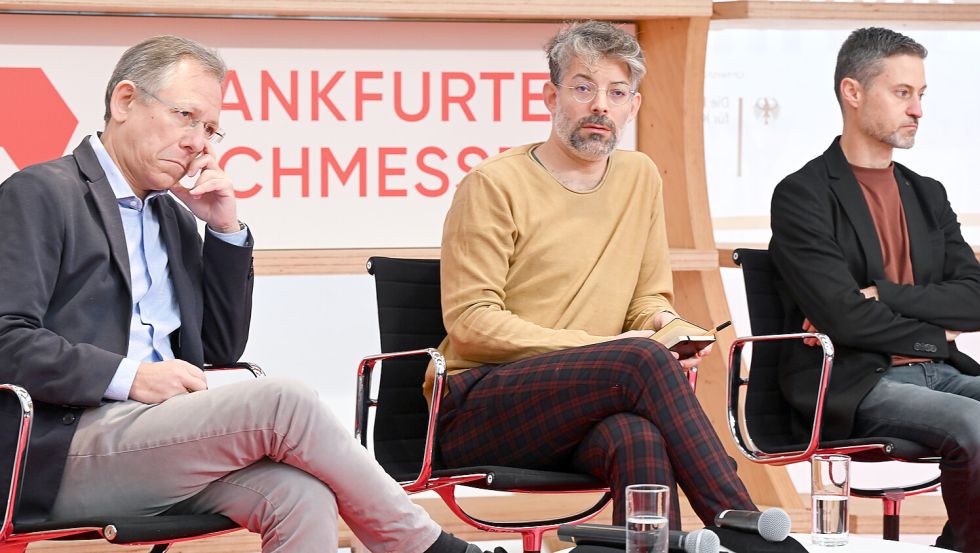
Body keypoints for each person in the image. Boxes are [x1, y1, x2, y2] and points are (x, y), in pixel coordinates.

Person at [0, 35, 501, 553]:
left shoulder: (170, 215)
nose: (198, 141)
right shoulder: (42, 192)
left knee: (301, 495)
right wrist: (133, 377)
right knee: (283, 400)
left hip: (154, 440)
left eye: (211, 128)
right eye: (186, 117)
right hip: (62, 450)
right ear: (125, 101)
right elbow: (6, 341)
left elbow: (221, 349)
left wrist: (223, 228)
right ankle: (429, 547)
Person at [430, 20, 757, 527]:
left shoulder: (639, 177)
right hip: (477, 407)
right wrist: (608, 349)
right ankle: (746, 525)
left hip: (586, 401)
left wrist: (668, 328)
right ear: (551, 96)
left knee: (638, 438)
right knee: (637, 361)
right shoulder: (493, 184)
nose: (600, 105)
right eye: (583, 88)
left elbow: (648, 299)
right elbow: (471, 322)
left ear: (634, 106)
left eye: (617, 91)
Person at [769, 27, 980, 551]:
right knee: (976, 423)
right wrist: (935, 331)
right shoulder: (803, 195)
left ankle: (958, 545)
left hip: (941, 374)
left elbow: (977, 298)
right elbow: (844, 320)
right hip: (856, 382)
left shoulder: (927, 194)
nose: (918, 110)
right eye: (902, 93)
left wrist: (886, 294)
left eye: (921, 95)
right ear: (853, 91)